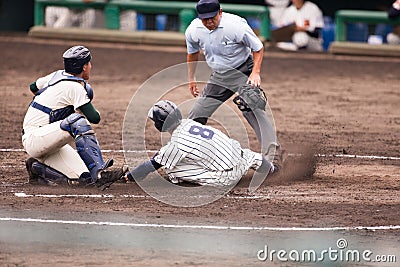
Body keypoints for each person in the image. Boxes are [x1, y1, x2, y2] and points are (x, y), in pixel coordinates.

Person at [184, 0, 282, 170]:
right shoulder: (193, 30)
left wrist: (255, 73)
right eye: (204, 19)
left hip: (243, 70)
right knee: (196, 114)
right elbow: (192, 53)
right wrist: (191, 78)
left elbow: (258, 48)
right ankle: (186, 154)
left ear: (220, 12)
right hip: (219, 76)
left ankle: (273, 158)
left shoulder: (236, 25)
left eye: (212, 17)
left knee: (251, 107)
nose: (208, 22)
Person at [22, 45, 125, 189]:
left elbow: (33, 87)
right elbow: (94, 117)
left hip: (47, 139)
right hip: (36, 137)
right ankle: (101, 173)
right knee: (77, 121)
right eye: (89, 64)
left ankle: (36, 167)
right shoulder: (75, 87)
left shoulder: (56, 75)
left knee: (86, 180)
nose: (90, 66)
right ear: (84, 67)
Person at [123, 100, 275, 187]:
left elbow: (152, 165)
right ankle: (272, 171)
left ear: (160, 124)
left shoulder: (176, 144)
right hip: (243, 159)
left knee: (173, 170)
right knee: (247, 155)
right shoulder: (190, 123)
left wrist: (129, 176)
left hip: (226, 178)